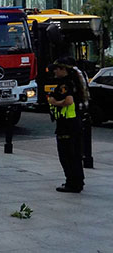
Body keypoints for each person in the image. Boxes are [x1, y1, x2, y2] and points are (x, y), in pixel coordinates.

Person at [48, 57, 84, 193]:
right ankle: (78, 181)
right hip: (74, 122)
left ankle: (72, 183)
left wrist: (54, 102)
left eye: (56, 69)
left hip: (66, 124)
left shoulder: (65, 85)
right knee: (75, 155)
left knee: (67, 155)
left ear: (64, 69)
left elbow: (68, 101)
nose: (54, 71)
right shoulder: (74, 82)